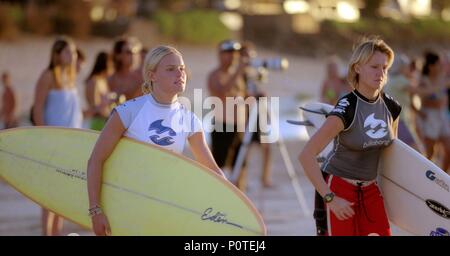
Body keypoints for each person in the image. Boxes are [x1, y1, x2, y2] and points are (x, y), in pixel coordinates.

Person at [87, 45, 225, 236]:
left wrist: (238, 206)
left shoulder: (190, 119)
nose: (180, 73)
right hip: (128, 208)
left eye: (182, 68)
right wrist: (96, 210)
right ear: (152, 75)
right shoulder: (128, 112)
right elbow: (96, 160)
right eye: (171, 69)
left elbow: (212, 170)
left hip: (168, 208)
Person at [299, 37, 401, 236]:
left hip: (371, 191)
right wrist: (330, 198)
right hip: (340, 189)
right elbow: (306, 155)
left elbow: (390, 155)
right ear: (357, 68)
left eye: (384, 68)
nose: (380, 73)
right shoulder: (347, 108)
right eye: (374, 67)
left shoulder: (391, 107)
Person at [32, 36, 83, 236]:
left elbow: (73, 111)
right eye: (68, 52)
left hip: (71, 142)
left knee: (62, 193)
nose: (73, 55)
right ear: (57, 54)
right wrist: (44, 136)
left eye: (74, 52)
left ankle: (57, 233)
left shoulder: (69, 77)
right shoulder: (47, 76)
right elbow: (37, 108)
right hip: (53, 141)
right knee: (49, 193)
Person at [207, 40, 248, 191]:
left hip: (240, 126)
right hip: (222, 126)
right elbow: (221, 92)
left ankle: (241, 198)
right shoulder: (215, 75)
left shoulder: (239, 75)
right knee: (219, 167)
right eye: (228, 53)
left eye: (235, 53)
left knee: (241, 166)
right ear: (220, 55)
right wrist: (238, 71)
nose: (232, 57)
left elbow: (243, 97)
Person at [239, 41, 273, 188]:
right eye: (246, 55)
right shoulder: (238, 73)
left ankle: (265, 179)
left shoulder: (253, 72)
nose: (249, 58)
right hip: (246, 114)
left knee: (266, 147)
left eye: (251, 55)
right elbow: (240, 95)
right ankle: (242, 181)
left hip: (258, 113)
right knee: (244, 149)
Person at [415, 51, 450, 173]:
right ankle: (423, 176)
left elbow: (443, 99)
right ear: (431, 66)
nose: (441, 66)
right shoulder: (423, 80)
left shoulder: (443, 77)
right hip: (429, 117)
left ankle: (443, 177)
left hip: (442, 116)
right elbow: (420, 100)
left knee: (448, 149)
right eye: (438, 64)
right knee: (430, 152)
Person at [384, 54, 421, 151]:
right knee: (417, 152)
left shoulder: (391, 79)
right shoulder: (400, 80)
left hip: (393, 120)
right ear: (402, 67)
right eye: (407, 66)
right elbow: (421, 91)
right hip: (400, 121)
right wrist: (440, 85)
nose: (409, 69)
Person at [85, 51, 114, 130]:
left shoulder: (103, 80)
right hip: (97, 122)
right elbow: (94, 106)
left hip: (105, 120)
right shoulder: (93, 81)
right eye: (111, 63)